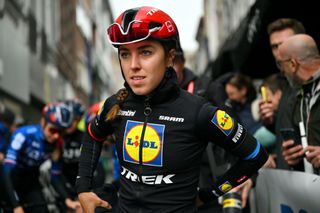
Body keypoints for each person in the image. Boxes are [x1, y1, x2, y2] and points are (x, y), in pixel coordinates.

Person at [76, 6, 268, 213]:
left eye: (146, 52)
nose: (133, 65)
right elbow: (92, 136)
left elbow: (255, 156)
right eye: (124, 54)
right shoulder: (115, 104)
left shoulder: (199, 111)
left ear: (170, 57)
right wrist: (83, 189)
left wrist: (208, 194)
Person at [1, 103, 82, 213]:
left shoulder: (57, 144)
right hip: (9, 179)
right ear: (43, 122)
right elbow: (7, 170)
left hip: (31, 182)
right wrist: (16, 206)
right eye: (53, 130)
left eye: (61, 132)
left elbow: (55, 175)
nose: (56, 136)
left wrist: (67, 200)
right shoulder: (23, 134)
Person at [259, 18, 306, 169]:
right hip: (292, 182)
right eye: (274, 46)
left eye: (285, 44)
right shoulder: (284, 83)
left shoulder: (312, 81)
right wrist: (272, 119)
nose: (280, 51)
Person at [277, 34, 320, 174]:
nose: (281, 72)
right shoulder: (299, 98)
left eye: (280, 64)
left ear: (293, 64)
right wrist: (295, 157)